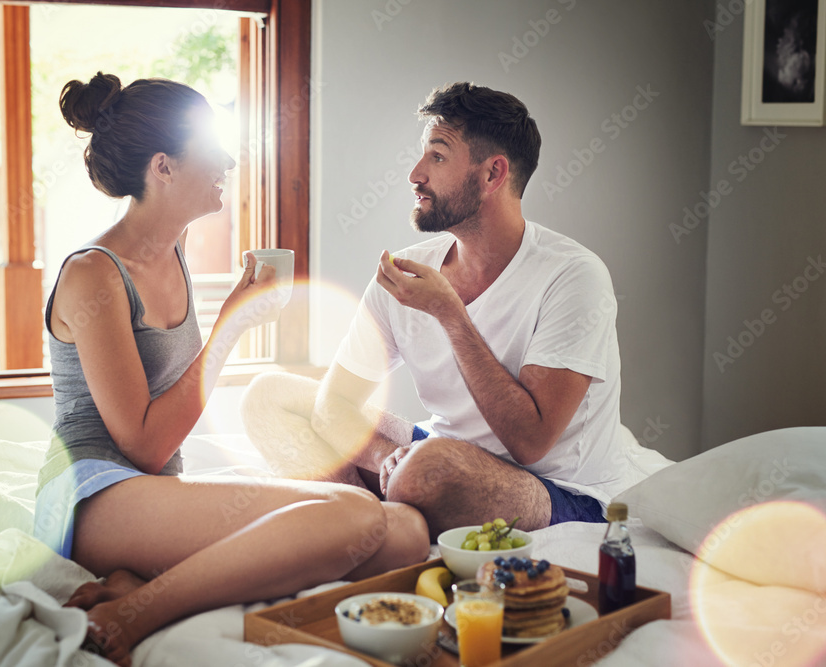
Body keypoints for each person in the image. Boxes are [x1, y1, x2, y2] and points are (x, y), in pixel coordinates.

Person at [31, 72, 430, 667]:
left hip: (153, 492)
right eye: (210, 146)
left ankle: (136, 584)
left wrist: (236, 320)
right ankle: (136, 611)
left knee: (405, 533)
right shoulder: (94, 273)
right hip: (93, 491)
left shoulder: (174, 251)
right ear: (162, 166)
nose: (229, 159)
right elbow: (141, 445)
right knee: (352, 514)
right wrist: (231, 327)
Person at [243, 82, 639, 541]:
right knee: (268, 398)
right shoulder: (407, 272)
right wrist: (386, 457)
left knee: (426, 469)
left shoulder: (573, 277)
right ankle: (368, 528)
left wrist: (451, 315)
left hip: (558, 489)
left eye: (437, 156)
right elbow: (335, 406)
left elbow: (530, 443)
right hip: (441, 456)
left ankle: (383, 520)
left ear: (493, 175)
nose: (415, 174)